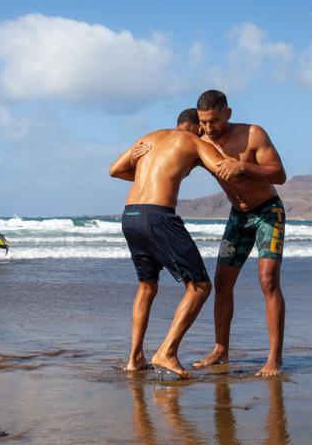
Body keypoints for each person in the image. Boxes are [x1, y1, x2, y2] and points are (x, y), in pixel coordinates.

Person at [109, 108, 224, 379]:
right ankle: (167, 351)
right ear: (198, 127)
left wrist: (145, 173)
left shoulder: (149, 137)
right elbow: (221, 167)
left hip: (131, 216)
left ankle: (134, 358)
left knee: (147, 287)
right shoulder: (194, 141)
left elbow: (115, 170)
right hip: (158, 216)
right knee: (200, 286)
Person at [191, 90, 287, 376]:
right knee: (222, 283)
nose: (210, 128)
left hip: (268, 212)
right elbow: (172, 147)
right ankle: (221, 350)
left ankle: (274, 359)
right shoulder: (201, 140)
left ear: (228, 113)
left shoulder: (253, 134)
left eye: (215, 121)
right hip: (238, 216)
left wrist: (243, 166)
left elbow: (279, 174)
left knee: (268, 281)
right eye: (204, 122)